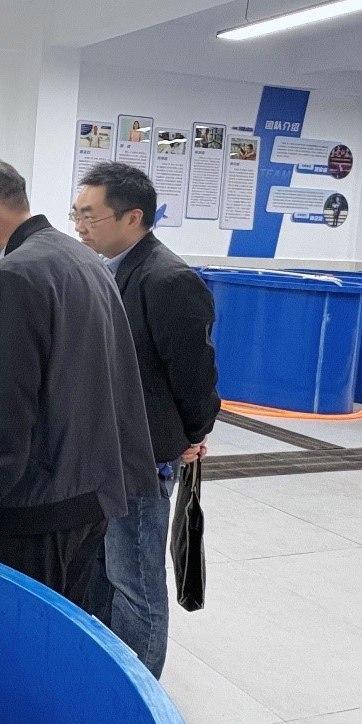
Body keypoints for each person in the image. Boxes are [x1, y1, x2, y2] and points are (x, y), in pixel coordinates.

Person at [0, 153, 157, 609]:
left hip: (37, 507)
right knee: (61, 627)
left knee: (16, 632)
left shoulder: (14, 275)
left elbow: (4, 412)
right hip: (90, 495)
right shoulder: (84, 259)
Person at [72, 162, 219, 677]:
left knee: (134, 578)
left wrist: (190, 435)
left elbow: (195, 376)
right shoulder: (106, 269)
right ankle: (103, 668)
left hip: (143, 455)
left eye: (89, 216)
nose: (79, 226)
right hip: (104, 448)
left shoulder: (168, 280)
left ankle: (137, 688)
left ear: (132, 217)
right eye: (76, 214)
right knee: (100, 567)